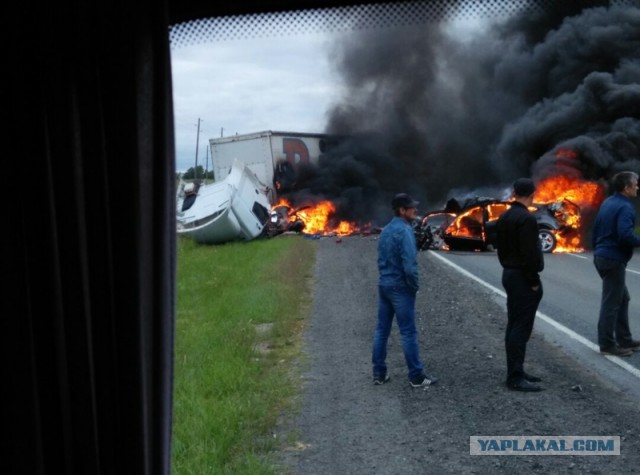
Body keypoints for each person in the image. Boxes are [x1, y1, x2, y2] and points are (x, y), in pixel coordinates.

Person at [371, 193, 437, 388]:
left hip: (385, 285)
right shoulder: (405, 231)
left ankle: (379, 373)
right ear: (402, 210)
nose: (415, 210)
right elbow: (409, 265)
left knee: (381, 331)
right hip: (400, 287)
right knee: (408, 332)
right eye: (412, 208)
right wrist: (414, 286)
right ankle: (416, 376)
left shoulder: (386, 231)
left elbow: (380, 259)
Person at [496, 178, 545, 392]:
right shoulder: (526, 219)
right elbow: (529, 254)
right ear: (532, 194)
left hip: (509, 273)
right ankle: (515, 377)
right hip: (523, 278)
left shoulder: (505, 216)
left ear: (514, 192)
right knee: (521, 327)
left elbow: (501, 249)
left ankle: (517, 370)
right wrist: (533, 281)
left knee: (514, 323)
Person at [592, 171, 640, 357]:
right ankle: (607, 344)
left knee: (622, 298)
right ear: (627, 187)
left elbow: (596, 230)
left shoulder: (608, 202)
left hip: (603, 256)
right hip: (613, 259)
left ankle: (625, 338)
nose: (637, 186)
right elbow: (625, 235)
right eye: (635, 184)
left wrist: (599, 250)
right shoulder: (625, 207)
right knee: (611, 303)